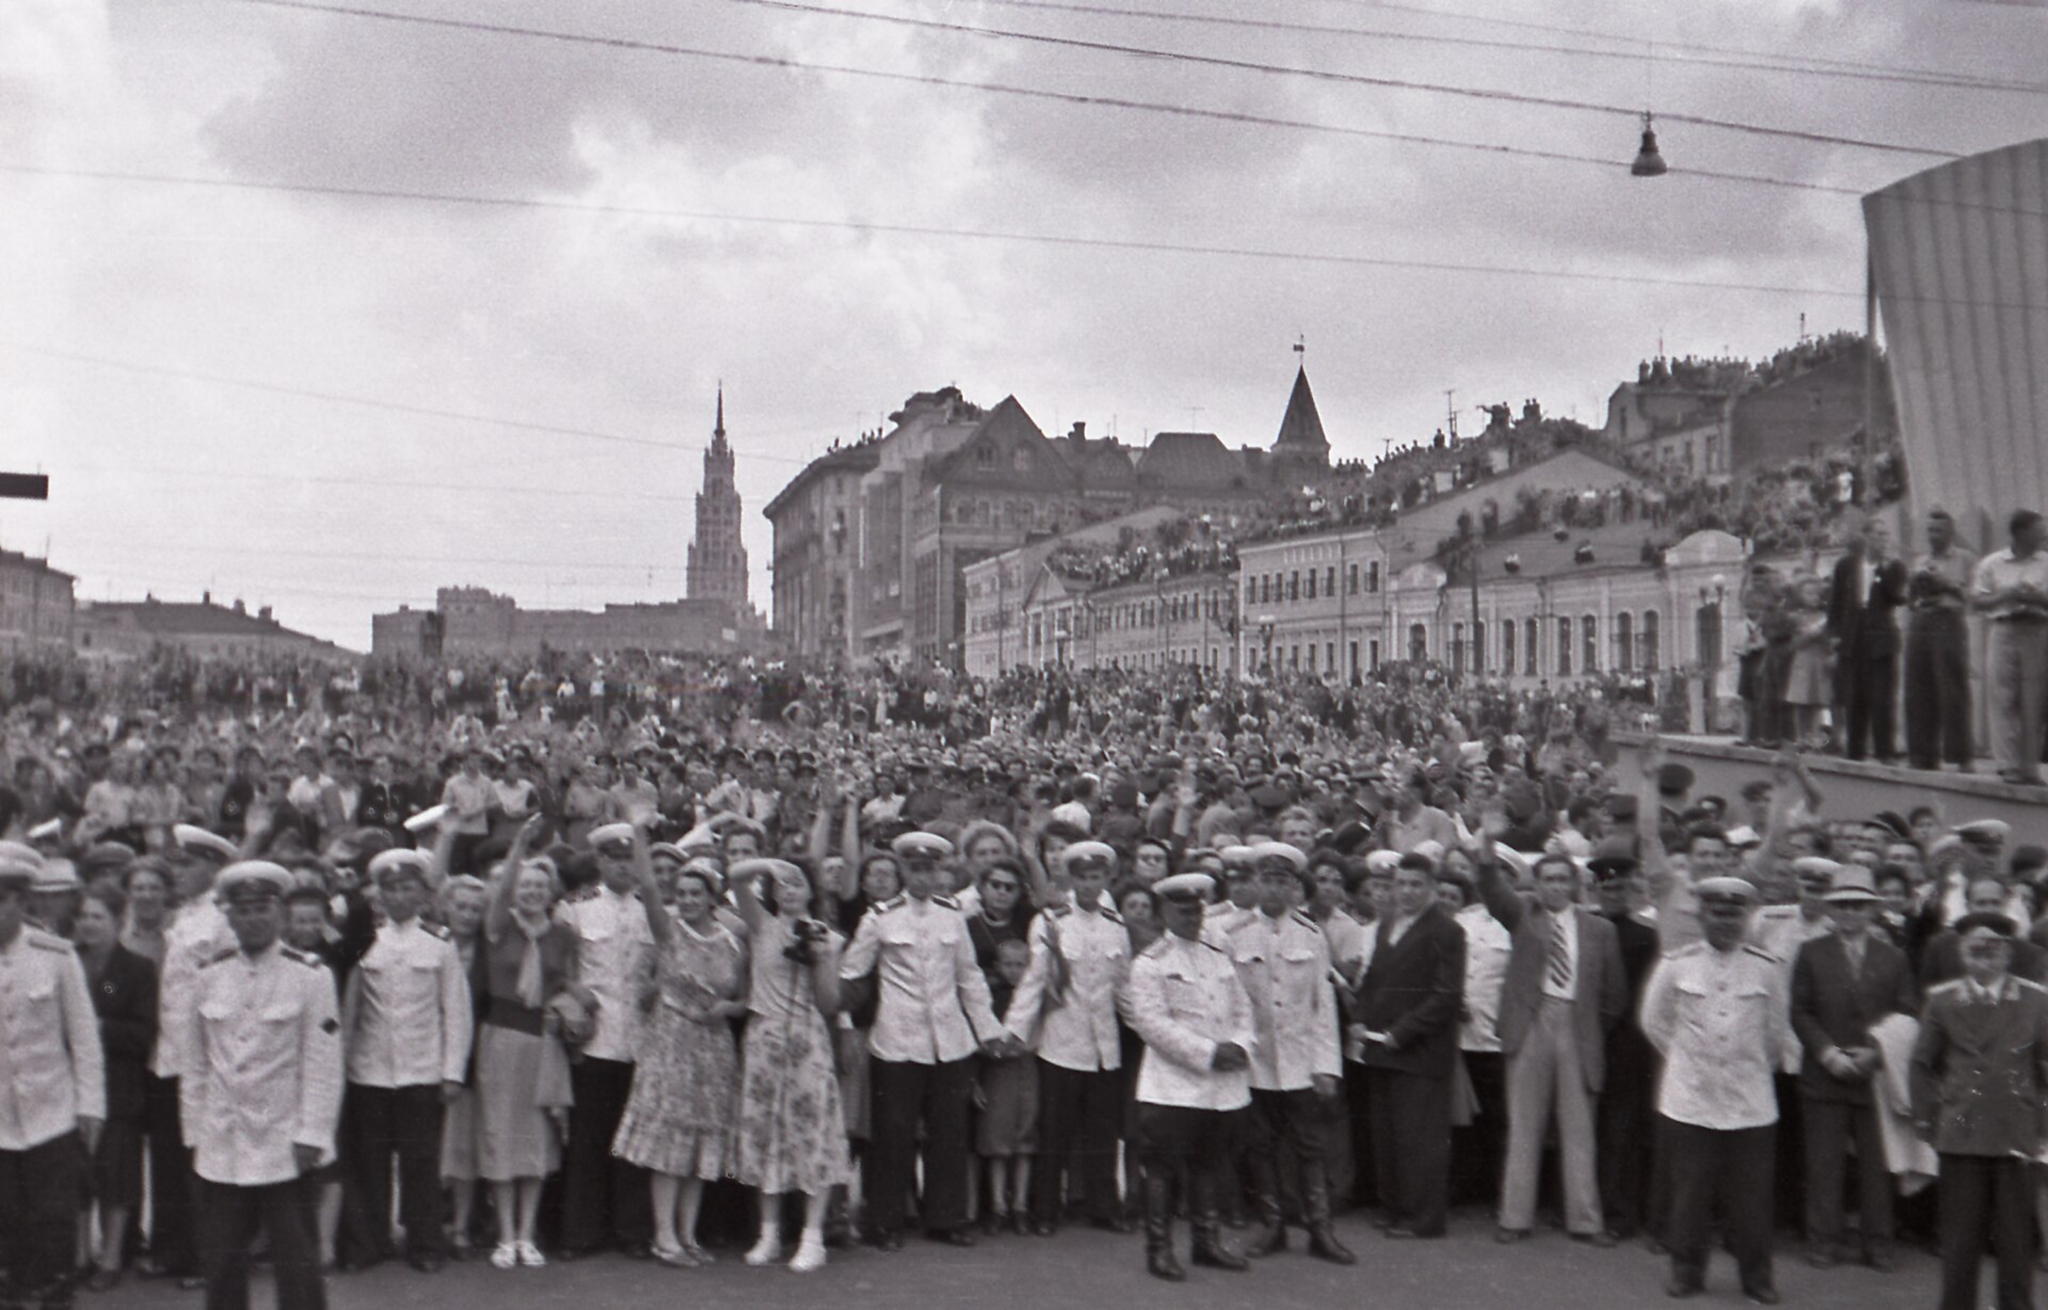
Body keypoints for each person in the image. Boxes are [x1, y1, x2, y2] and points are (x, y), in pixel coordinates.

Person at [177, 860, 342, 1310]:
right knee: (224, 1262)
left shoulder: (310, 975)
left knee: (298, 1261)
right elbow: (193, 1064)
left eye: (262, 909)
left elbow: (323, 1064)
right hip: (222, 1142)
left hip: (285, 1142)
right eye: (243, 910)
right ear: (229, 916)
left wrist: (313, 1133)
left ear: (281, 915)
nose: (253, 919)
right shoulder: (207, 975)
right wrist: (195, 1134)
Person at [837, 831, 1006, 1250]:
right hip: (898, 1040)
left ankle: (946, 1218)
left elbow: (970, 978)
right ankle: (885, 1221)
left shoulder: (953, 916)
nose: (922, 876)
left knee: (950, 1134)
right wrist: (843, 1026)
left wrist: (988, 1030)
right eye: (914, 868)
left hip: (950, 1041)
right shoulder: (880, 917)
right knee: (893, 1136)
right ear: (901, 870)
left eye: (930, 868)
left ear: (939, 871)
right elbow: (851, 976)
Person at [1639, 876, 1790, 1305]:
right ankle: (1686, 1271)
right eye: (1717, 914)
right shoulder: (1677, 963)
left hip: (1750, 1102)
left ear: (1746, 919)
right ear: (1702, 915)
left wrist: (1746, 1066)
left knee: (1753, 1200)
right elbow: (1655, 1022)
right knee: (1690, 1194)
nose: (1725, 923)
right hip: (1690, 1099)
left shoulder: (1766, 968)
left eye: (1734, 915)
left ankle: (1757, 1277)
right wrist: (1690, 1061)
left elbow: (1776, 1034)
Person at [1472, 837, 1626, 1247]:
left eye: (1563, 880)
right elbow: (1491, 887)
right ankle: (1514, 1217)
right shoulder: (1523, 915)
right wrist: (1486, 843)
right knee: (1525, 1125)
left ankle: (1585, 1221)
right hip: (1532, 1020)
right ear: (1535, 886)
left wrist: (1590, 1027)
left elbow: (1614, 997)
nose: (1556, 887)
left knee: (1579, 1130)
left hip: (1578, 1024)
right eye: (1547, 880)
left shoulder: (1600, 930)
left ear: (1576, 885)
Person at [610, 842, 745, 1268]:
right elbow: (649, 887)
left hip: (713, 1047)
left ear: (711, 898)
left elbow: (745, 997)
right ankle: (664, 1236)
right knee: (670, 1143)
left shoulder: (733, 940)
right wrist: (637, 829)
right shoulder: (667, 929)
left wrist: (729, 1008)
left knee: (701, 1145)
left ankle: (688, 1234)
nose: (686, 900)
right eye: (682, 893)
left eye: (695, 893)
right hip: (671, 1041)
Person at [337, 848, 472, 1273]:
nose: (398, 896)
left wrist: (452, 1072)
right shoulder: (365, 941)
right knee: (370, 1162)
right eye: (390, 888)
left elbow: (457, 1011)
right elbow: (351, 1007)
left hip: (422, 1069)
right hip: (370, 1069)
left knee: (420, 1162)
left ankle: (425, 1243)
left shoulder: (439, 944)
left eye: (407, 887)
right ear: (379, 894)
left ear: (423, 894)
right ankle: (371, 1242)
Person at [1121, 872, 1255, 1282]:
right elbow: (1152, 1024)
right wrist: (1210, 1053)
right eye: (1183, 910)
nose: (1193, 917)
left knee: (1208, 1165)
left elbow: (1243, 1010)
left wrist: (1242, 1046)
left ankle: (1205, 1243)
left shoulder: (1217, 955)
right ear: (1163, 912)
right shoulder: (1151, 962)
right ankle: (1158, 1249)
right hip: (1172, 1087)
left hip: (1220, 1086)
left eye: (1197, 909)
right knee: (1160, 1169)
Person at [1911, 911, 2048, 1310]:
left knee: (2015, 1240)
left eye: (1992, 953)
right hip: (1961, 1133)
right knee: (1960, 1240)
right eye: (1974, 953)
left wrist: (2042, 1127)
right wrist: (1929, 1120)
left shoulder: (2036, 1000)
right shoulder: (1942, 1001)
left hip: (2016, 1135)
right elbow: (1922, 1065)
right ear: (1961, 954)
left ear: (2007, 953)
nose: (1983, 962)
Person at [1789, 863, 1915, 1272]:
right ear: (1831, 909)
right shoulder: (1811, 953)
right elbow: (1801, 1011)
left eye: (1859, 905)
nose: (1851, 912)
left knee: (1877, 1166)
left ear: (1872, 910)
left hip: (1873, 1077)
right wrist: (1828, 1054)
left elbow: (1907, 1013)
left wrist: (1875, 1054)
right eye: (1843, 905)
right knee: (1824, 1164)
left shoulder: (1893, 958)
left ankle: (1878, 1243)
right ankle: (1823, 1240)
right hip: (1825, 1074)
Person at [1001, 840, 1129, 1237]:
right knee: (1054, 1129)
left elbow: (1124, 987)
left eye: (1097, 878)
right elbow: (1035, 980)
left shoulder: (1115, 924)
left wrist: (1146, 1025)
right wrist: (1012, 1031)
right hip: (1062, 1042)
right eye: (1082, 878)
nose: (1089, 886)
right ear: (1070, 880)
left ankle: (1103, 1207)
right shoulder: (1051, 922)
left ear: (1107, 878)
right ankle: (1045, 1210)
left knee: (1103, 1132)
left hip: (1104, 1044)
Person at [475, 821, 583, 1270]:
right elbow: (499, 900)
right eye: (525, 884)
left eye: (541, 885)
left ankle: (527, 1234)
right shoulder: (500, 925)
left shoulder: (563, 935)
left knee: (536, 1137)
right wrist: (519, 843)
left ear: (552, 891)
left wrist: (571, 1006)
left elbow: (573, 984)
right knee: (501, 1135)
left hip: (543, 1041)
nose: (533, 892)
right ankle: (504, 1236)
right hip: (502, 1039)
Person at [731, 857, 848, 1273]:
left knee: (811, 1133)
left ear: (812, 891)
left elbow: (831, 1003)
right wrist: (768, 863)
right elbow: (734, 877)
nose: (790, 890)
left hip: (807, 1039)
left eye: (798, 883)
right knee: (766, 1133)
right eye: (783, 884)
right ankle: (769, 1232)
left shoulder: (828, 937)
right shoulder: (761, 925)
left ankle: (812, 1236)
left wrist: (820, 959)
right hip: (765, 1036)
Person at [0, 854, 105, 1310]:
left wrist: (90, 1107)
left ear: (21, 901)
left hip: (52, 1116)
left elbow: (83, 1037)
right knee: (8, 1230)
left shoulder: (55, 956)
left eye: (1, 900)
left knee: (54, 1226)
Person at [1354, 852, 1466, 1240]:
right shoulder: (1386, 924)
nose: (1407, 891)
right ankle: (1393, 1209)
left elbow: (1446, 995)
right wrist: (1360, 1022)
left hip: (1420, 1051)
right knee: (1387, 1136)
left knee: (1418, 1140)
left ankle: (1423, 1219)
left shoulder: (1447, 931)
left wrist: (1402, 1032)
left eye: (1416, 884)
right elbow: (1373, 981)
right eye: (1401, 883)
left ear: (1432, 890)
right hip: (1379, 1045)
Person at [73, 883, 157, 1292]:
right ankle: (79, 1255)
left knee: (116, 1175)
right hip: (70, 1087)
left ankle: (111, 1257)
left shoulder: (135, 969)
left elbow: (143, 1033)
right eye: (84, 916)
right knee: (76, 1176)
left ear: (117, 920)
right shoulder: (68, 961)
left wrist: (96, 1028)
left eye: (98, 916)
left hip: (118, 1088)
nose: (89, 924)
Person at [1971, 509, 2048, 785]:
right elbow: (1977, 602)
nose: (2044, 534)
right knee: (2002, 695)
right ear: (2021, 532)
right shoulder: (1993, 563)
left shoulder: (2046, 563)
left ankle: (2029, 767)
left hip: (2036, 629)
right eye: (2039, 528)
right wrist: (2007, 594)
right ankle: (2007, 764)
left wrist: (2037, 597)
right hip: (2003, 628)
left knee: (2034, 698)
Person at [1827, 516, 1907, 762]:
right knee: (1854, 694)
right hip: (1853, 634)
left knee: (1883, 695)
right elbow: (1836, 602)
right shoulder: (1846, 565)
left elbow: (1897, 598)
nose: (1882, 540)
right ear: (1866, 537)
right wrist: (1834, 636)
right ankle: (1855, 749)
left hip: (1881, 635)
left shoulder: (1894, 567)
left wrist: (1881, 571)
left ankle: (1885, 751)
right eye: (1877, 534)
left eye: (1885, 535)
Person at [975, 937, 1039, 1235]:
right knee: (998, 1141)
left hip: (1026, 1068)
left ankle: (1021, 1206)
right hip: (997, 1071)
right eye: (1008, 964)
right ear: (998, 966)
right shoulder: (991, 996)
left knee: (1024, 1139)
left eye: (1020, 965)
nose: (1014, 971)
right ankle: (999, 1205)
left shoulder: (1033, 996)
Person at [1904, 507, 1976, 772]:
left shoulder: (1965, 559)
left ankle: (1962, 756)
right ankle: (1922, 755)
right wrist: (1914, 585)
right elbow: (1909, 600)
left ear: (1951, 532)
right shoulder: (1920, 560)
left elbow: (1974, 597)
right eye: (1930, 530)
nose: (1933, 535)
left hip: (1948, 621)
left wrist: (1947, 583)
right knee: (1918, 688)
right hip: (1921, 620)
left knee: (1952, 688)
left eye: (1939, 530)